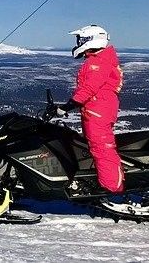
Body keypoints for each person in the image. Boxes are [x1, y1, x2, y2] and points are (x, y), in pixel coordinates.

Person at [49, 24, 124, 195]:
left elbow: (89, 88)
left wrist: (69, 105)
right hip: (97, 109)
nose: (78, 43)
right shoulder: (101, 59)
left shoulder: (98, 62)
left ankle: (110, 186)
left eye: (80, 40)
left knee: (101, 147)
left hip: (98, 111)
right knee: (92, 146)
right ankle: (101, 179)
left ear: (90, 40)